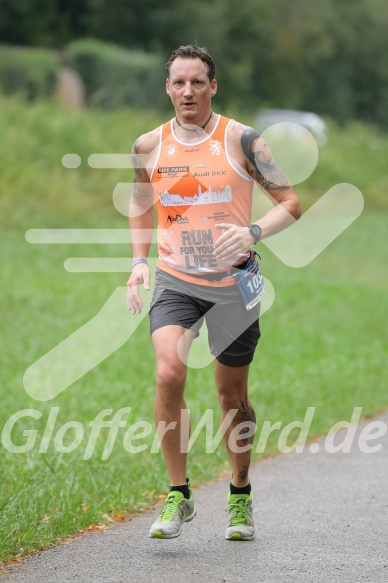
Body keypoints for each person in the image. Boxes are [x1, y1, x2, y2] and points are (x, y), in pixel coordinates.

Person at [126, 45, 301, 541]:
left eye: (197, 82)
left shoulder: (243, 140)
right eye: (178, 82)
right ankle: (178, 494)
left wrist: (253, 232)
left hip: (234, 283)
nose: (187, 91)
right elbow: (140, 207)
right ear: (168, 88)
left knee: (232, 398)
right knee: (168, 372)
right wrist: (139, 263)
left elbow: (290, 202)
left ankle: (240, 493)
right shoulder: (148, 145)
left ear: (212, 87)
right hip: (176, 280)